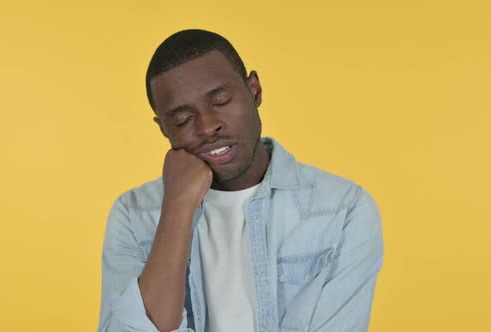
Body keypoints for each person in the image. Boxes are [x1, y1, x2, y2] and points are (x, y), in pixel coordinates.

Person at [98, 29, 384, 332]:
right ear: (163, 129)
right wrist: (177, 207)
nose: (208, 127)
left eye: (220, 101)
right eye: (182, 120)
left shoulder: (342, 210)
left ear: (255, 91)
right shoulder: (132, 215)